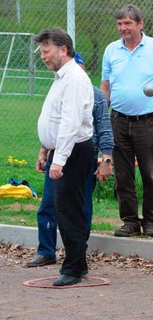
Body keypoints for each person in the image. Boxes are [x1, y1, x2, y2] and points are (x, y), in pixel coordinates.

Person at [100, 4, 153, 238]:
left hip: (148, 122)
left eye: (127, 23)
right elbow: (105, 86)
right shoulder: (111, 50)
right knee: (123, 175)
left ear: (140, 24)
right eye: (119, 24)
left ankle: (150, 222)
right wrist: (101, 115)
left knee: (150, 173)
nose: (123, 28)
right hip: (118, 119)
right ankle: (129, 221)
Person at [27, 52, 114, 270]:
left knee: (79, 208)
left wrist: (106, 160)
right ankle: (46, 251)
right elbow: (56, 124)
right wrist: (44, 150)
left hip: (81, 157)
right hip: (57, 153)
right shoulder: (59, 85)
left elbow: (104, 129)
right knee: (48, 205)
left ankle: (77, 254)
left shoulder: (94, 94)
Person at [33, 28, 94, 286]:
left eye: (46, 51)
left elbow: (71, 122)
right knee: (66, 209)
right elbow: (56, 118)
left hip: (73, 152)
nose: (43, 56)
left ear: (63, 50)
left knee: (69, 211)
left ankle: (72, 268)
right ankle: (78, 264)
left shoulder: (74, 79)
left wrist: (60, 160)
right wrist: (47, 149)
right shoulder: (61, 77)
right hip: (60, 150)